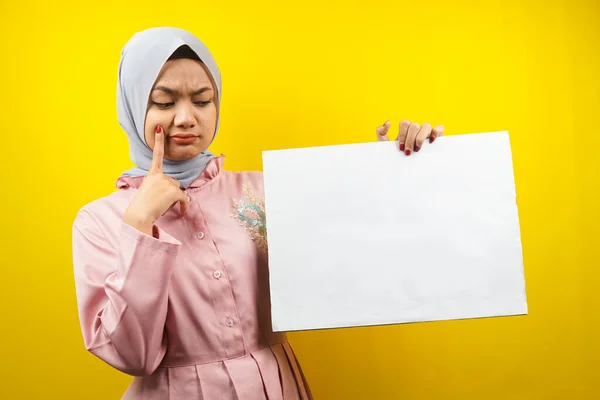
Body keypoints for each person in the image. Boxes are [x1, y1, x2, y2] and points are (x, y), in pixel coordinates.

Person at [71, 27, 444, 400]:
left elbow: (352, 252)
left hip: (275, 386)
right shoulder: (100, 221)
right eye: (165, 102)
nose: (186, 118)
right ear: (134, 106)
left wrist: (394, 168)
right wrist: (139, 225)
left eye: (202, 100)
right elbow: (132, 355)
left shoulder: (266, 189)